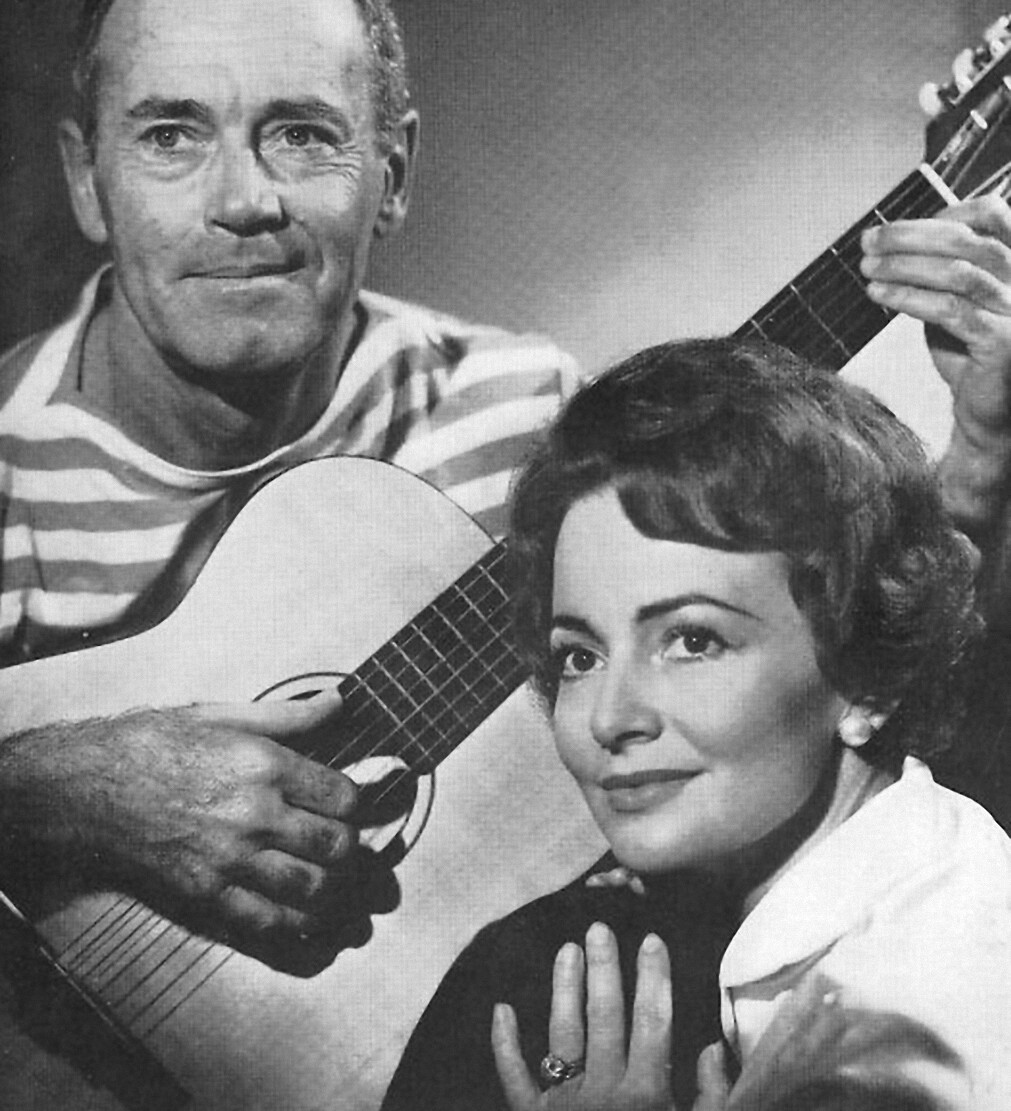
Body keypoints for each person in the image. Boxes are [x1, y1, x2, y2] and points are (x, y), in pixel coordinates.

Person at [0, 0, 578, 969]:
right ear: (87, 182)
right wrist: (68, 792)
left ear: (392, 176)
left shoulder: (527, 419)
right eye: (171, 136)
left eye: (302, 134)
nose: (243, 202)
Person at [382, 337, 1011, 1110]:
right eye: (578, 655)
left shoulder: (919, 1007)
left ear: (866, 677)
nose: (609, 717)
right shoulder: (733, 900)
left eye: (691, 640)